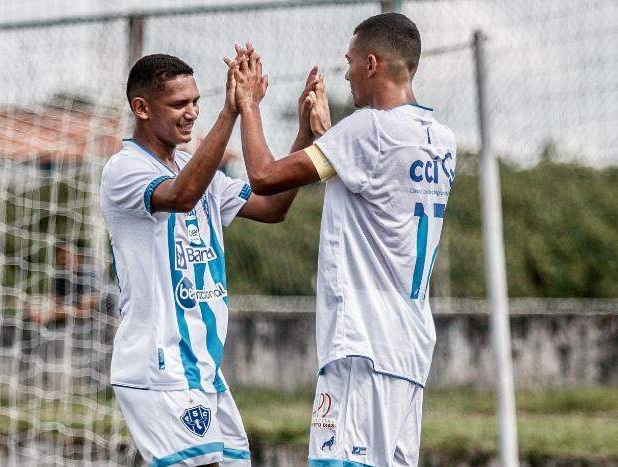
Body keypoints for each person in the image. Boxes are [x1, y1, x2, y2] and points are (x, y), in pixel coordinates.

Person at [233, 14, 457, 466]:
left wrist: (247, 104)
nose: (347, 72)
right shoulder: (441, 140)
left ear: (371, 64)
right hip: (408, 350)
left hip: (362, 346)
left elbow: (262, 177)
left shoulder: (368, 129)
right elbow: (370, 178)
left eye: (349, 62)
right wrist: (326, 135)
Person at [99, 50, 320, 467]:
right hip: (158, 365)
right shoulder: (124, 169)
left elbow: (273, 208)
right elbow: (181, 197)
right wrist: (232, 112)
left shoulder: (196, 170)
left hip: (202, 368)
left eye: (196, 102)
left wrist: (304, 137)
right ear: (141, 108)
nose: (191, 113)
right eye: (179, 104)